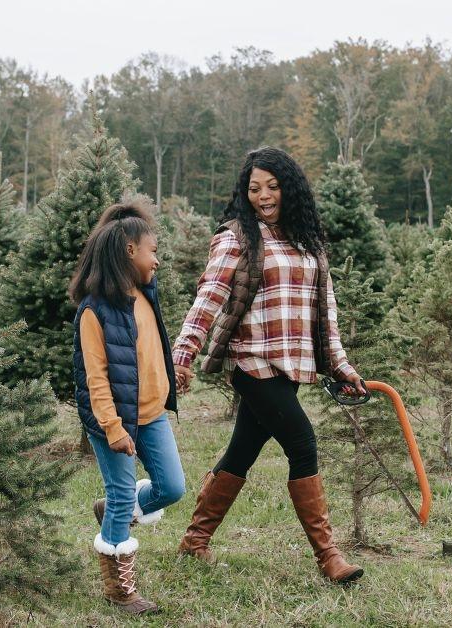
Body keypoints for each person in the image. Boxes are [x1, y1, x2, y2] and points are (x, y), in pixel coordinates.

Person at [172, 147, 368, 584]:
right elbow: (208, 301)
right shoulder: (237, 237)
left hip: (293, 364)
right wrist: (181, 357)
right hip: (253, 361)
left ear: (289, 188)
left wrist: (340, 365)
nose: (263, 195)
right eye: (254, 188)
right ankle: (329, 557)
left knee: (243, 450)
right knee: (302, 443)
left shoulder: (307, 241)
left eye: (273, 186)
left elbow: (326, 310)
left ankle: (194, 540)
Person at [70, 198, 185, 614]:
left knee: (173, 487)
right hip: (113, 421)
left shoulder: (145, 295)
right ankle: (120, 589)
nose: (157, 261)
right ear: (129, 251)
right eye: (153, 251)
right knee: (120, 493)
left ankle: (119, 510)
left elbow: (152, 351)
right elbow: (95, 378)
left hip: (151, 414)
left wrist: (173, 378)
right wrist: (114, 428)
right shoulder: (94, 310)